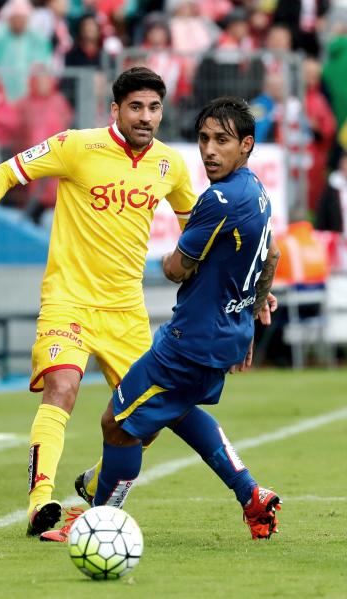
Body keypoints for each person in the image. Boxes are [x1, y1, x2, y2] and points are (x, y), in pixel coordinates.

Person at [0, 67, 198, 538]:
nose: (145, 116)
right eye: (135, 107)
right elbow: (5, 172)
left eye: (153, 108)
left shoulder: (170, 165)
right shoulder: (76, 146)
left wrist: (242, 282)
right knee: (62, 388)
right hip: (68, 300)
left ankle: (94, 482)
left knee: (150, 416)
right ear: (115, 109)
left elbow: (196, 232)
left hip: (126, 311)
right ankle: (40, 503)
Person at [81, 97, 283, 540]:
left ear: (246, 145)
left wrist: (165, 262)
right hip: (224, 335)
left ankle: (100, 522)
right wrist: (250, 314)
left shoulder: (219, 199)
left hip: (191, 339)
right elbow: (272, 255)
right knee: (177, 410)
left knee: (117, 424)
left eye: (222, 140)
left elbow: (177, 268)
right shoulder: (257, 190)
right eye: (204, 139)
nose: (209, 150)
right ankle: (251, 495)